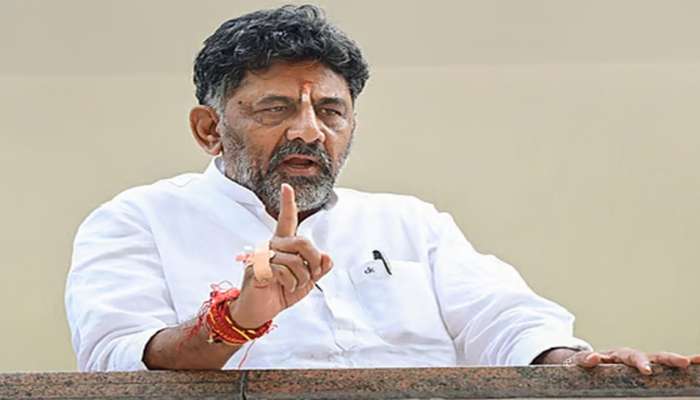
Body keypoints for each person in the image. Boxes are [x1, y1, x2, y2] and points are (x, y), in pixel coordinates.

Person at [65, 4, 698, 372]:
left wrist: (574, 365)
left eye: (331, 112)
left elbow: (504, 319)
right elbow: (115, 360)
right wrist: (236, 321)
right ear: (209, 129)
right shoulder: (137, 220)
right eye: (275, 109)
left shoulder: (409, 223)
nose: (309, 131)